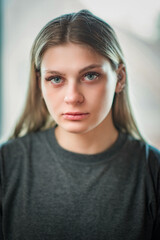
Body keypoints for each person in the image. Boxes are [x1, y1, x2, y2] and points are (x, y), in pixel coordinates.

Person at [0, 9, 160, 240]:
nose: (73, 97)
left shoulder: (152, 173)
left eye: (90, 76)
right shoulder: (7, 165)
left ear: (120, 78)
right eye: (56, 79)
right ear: (39, 84)